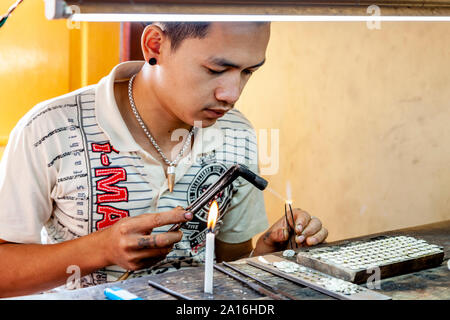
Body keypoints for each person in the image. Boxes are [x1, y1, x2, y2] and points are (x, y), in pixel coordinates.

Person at [0, 22, 328, 298]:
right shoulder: (49, 128)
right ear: (155, 45)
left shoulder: (236, 132)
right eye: (216, 69)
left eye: (248, 72)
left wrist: (266, 257)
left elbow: (228, 264)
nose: (232, 93)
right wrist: (102, 249)